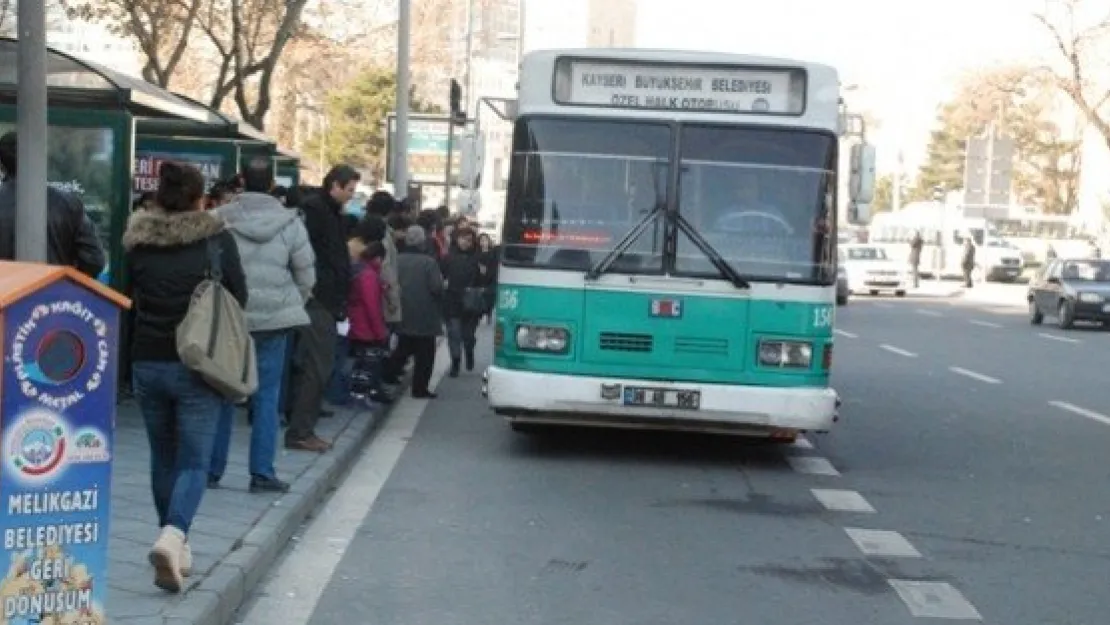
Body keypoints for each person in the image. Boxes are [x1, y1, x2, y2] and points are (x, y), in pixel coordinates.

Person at [122, 162, 248, 593]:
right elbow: (239, 295)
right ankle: (174, 534)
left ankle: (175, 541)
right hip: (198, 363)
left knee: (163, 456)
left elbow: (126, 300)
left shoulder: (138, 243)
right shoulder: (215, 240)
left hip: (147, 362)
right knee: (194, 460)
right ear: (200, 198)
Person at [208, 157, 316, 493]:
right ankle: (261, 473)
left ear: (240, 182)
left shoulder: (219, 219)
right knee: (267, 397)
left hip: (230, 317)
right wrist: (288, 301)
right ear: (271, 184)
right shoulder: (290, 223)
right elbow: (306, 276)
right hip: (274, 320)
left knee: (224, 391)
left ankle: (213, 469)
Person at [286, 165, 359, 452]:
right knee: (318, 365)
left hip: (324, 298)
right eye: (350, 190)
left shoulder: (328, 213)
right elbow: (311, 257)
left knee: (315, 365)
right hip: (317, 299)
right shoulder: (316, 212)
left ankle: (303, 427)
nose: (351, 196)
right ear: (335, 186)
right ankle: (300, 431)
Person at [0, 131, 105, 276]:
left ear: (2, 164)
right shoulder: (68, 204)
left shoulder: (68, 204)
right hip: (52, 293)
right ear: (39, 159)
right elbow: (94, 261)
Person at [384, 226, 444, 398]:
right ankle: (419, 388)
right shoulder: (429, 263)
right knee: (425, 355)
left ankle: (388, 374)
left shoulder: (397, 260)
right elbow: (436, 287)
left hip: (401, 310)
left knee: (403, 347)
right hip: (425, 314)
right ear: (422, 242)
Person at [346, 230, 393, 406]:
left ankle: (360, 394)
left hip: (356, 323)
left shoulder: (360, 270)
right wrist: (380, 331)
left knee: (360, 362)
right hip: (365, 327)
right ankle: (362, 396)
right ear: (378, 258)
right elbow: (372, 305)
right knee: (368, 364)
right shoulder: (368, 275)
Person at [442, 226, 485, 376]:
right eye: (462, 238)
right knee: (454, 333)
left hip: (471, 302)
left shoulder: (478, 259)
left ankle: (469, 351)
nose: (465, 242)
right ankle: (455, 362)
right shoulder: (447, 258)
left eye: (469, 240)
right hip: (452, 300)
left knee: (468, 335)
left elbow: (485, 280)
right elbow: (441, 276)